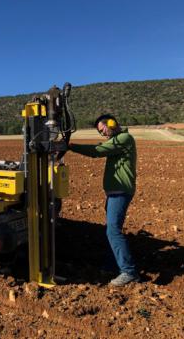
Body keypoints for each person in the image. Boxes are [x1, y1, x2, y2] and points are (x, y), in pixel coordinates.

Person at [68, 114, 139, 286]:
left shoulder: (124, 138)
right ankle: (111, 265)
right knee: (111, 229)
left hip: (120, 192)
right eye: (100, 133)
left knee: (113, 231)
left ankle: (129, 272)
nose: (103, 134)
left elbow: (96, 151)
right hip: (114, 193)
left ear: (112, 123)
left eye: (103, 130)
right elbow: (101, 147)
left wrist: (69, 146)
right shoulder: (117, 141)